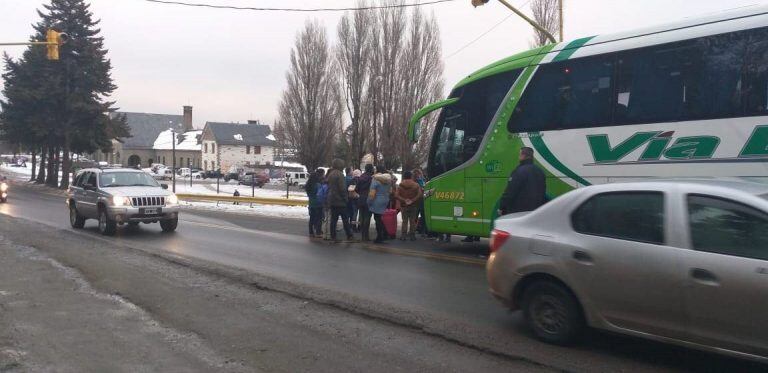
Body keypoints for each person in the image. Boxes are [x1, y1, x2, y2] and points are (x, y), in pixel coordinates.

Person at [499, 147, 547, 215]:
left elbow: (510, 191)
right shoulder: (540, 171)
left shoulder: (519, 171)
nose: (519, 157)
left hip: (519, 211)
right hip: (535, 211)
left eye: (519, 154)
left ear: (523, 156)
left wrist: (502, 206)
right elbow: (543, 191)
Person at [327, 159, 353, 242]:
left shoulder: (331, 174)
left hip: (332, 199)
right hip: (340, 201)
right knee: (345, 219)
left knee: (333, 220)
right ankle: (349, 236)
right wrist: (346, 198)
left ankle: (333, 236)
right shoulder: (340, 175)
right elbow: (342, 189)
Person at [367, 166, 392, 244]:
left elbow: (372, 193)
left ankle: (380, 237)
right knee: (379, 218)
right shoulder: (388, 180)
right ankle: (385, 234)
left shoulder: (375, 179)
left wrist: (369, 201)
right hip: (385, 199)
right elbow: (390, 191)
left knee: (377, 219)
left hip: (377, 200)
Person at [396, 170, 421, 241]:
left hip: (404, 205)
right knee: (412, 221)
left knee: (404, 221)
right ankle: (412, 236)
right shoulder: (416, 185)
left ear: (404, 176)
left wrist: (404, 200)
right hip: (413, 205)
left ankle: (403, 236)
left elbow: (396, 195)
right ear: (411, 176)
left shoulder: (401, 185)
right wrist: (412, 200)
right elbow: (419, 195)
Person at [355, 164, 375, 241]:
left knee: (362, 217)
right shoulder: (372, 178)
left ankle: (363, 235)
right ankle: (366, 235)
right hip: (369, 199)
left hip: (361, 199)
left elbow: (356, 189)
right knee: (367, 217)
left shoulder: (361, 177)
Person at [305, 170, 324, 237]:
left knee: (312, 218)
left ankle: (311, 232)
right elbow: (321, 194)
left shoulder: (308, 185)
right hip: (318, 203)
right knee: (319, 218)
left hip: (311, 203)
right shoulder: (318, 185)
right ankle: (318, 232)